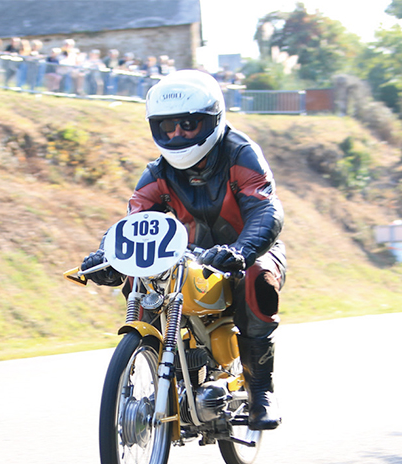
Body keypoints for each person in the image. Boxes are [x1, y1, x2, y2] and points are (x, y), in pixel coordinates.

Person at [81, 70, 286, 431]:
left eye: (188, 125)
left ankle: (259, 390)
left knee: (259, 281)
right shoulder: (157, 172)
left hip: (246, 250)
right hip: (184, 254)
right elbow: (135, 219)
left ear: (212, 120)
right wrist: (108, 257)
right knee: (139, 277)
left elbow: (265, 209)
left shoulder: (241, 154)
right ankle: (158, 367)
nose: (177, 135)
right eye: (167, 126)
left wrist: (242, 250)